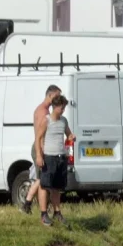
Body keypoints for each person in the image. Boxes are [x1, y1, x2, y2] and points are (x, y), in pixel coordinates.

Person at [22, 85, 62, 215]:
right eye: (57, 96)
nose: (58, 99)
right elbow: (40, 136)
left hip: (42, 147)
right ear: (50, 95)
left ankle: (27, 204)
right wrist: (42, 153)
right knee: (42, 181)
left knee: (41, 179)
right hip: (41, 147)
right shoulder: (43, 112)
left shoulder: (43, 110)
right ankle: (31, 205)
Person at [36, 94, 74, 227]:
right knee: (44, 186)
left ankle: (57, 213)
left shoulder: (63, 121)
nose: (63, 110)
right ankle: (43, 213)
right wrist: (39, 156)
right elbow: (38, 138)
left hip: (60, 157)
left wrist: (71, 136)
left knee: (57, 187)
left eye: (64, 108)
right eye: (61, 108)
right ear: (55, 107)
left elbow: (68, 134)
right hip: (49, 156)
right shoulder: (46, 120)